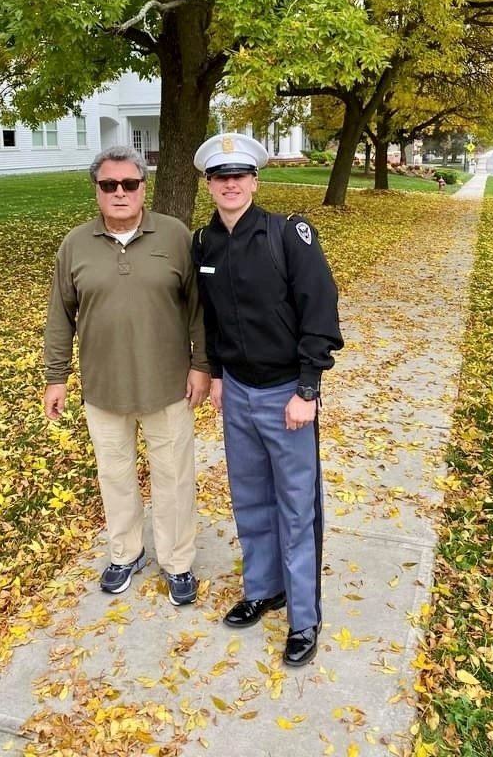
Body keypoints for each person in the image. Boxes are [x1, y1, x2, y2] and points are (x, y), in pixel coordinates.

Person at [192, 133, 344, 667]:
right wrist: (212, 374)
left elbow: (320, 312)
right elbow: (210, 319)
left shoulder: (289, 234)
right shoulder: (203, 242)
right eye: (220, 176)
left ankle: (305, 616)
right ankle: (264, 588)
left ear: (255, 180)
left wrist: (308, 387)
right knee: (250, 497)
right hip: (236, 391)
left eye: (239, 175)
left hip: (287, 395)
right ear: (209, 184)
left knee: (296, 508)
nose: (230, 184)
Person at [43, 145, 210, 606]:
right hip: (103, 388)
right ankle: (125, 552)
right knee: (114, 474)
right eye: (109, 185)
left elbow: (199, 309)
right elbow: (61, 315)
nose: (120, 192)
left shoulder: (174, 236)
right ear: (96, 190)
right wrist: (56, 377)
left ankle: (177, 562)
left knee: (174, 476)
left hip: (168, 385)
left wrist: (202, 366)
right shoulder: (76, 244)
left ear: (143, 186)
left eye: (130, 184)